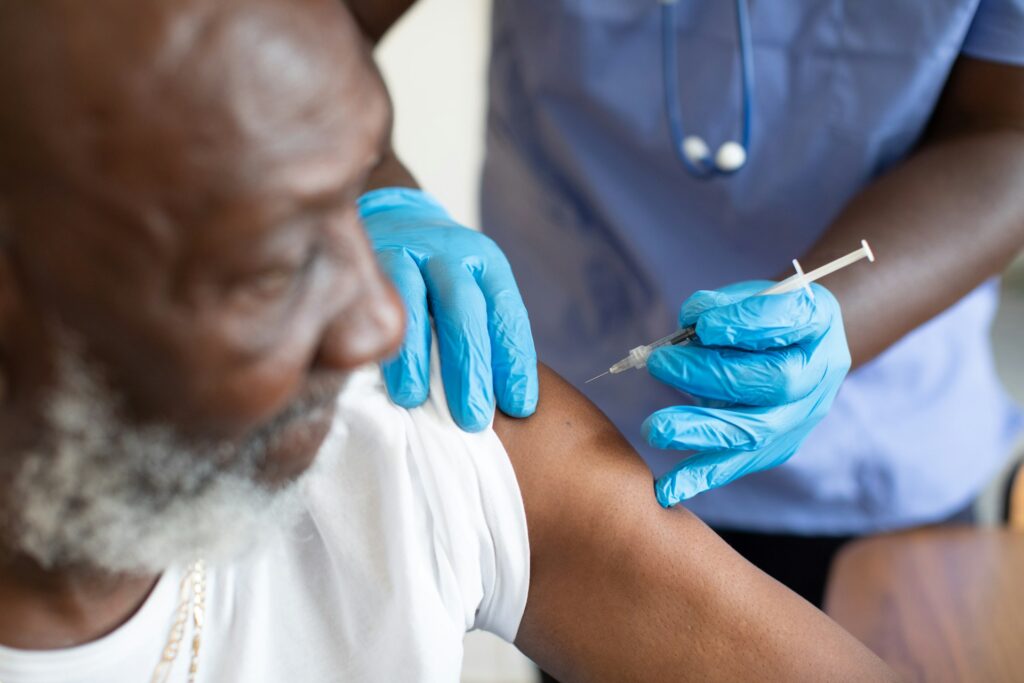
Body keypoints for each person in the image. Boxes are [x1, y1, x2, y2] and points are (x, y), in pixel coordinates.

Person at [0, 1, 897, 681]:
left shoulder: (408, 421)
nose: (380, 321)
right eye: (276, 265)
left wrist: (369, 197)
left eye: (347, 193)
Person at [347, 0, 1024, 606]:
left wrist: (833, 312)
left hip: (879, 455)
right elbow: (315, 20)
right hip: (570, 423)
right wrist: (377, 186)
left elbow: (1006, 132)